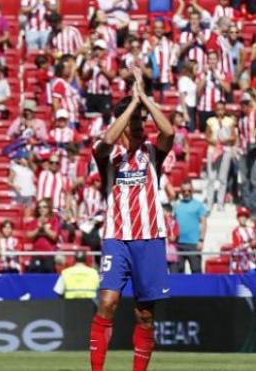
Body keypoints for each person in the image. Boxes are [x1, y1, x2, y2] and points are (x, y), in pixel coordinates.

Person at [89, 67, 174, 371]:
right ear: (123, 125)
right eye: (134, 122)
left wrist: (144, 100)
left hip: (150, 238)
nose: (139, 127)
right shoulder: (108, 157)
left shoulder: (153, 153)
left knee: (145, 315)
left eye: (141, 121)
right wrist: (128, 110)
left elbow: (170, 132)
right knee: (108, 302)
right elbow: (106, 141)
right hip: (116, 238)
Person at [205, 101, 237, 211]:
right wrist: (214, 142)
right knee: (211, 177)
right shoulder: (210, 121)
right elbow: (207, 137)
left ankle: (220, 203)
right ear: (215, 110)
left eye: (222, 109)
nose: (220, 111)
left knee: (223, 178)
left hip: (226, 150)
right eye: (218, 109)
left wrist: (225, 139)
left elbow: (234, 137)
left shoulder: (229, 121)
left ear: (225, 110)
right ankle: (209, 203)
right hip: (213, 150)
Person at [173, 180, 208, 274]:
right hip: (178, 244)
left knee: (196, 272)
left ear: (192, 190)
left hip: (194, 244)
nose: (186, 193)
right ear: (181, 192)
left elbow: (204, 223)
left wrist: (201, 240)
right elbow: (171, 223)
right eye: (184, 191)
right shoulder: (176, 205)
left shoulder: (198, 205)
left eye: (189, 190)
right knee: (178, 274)